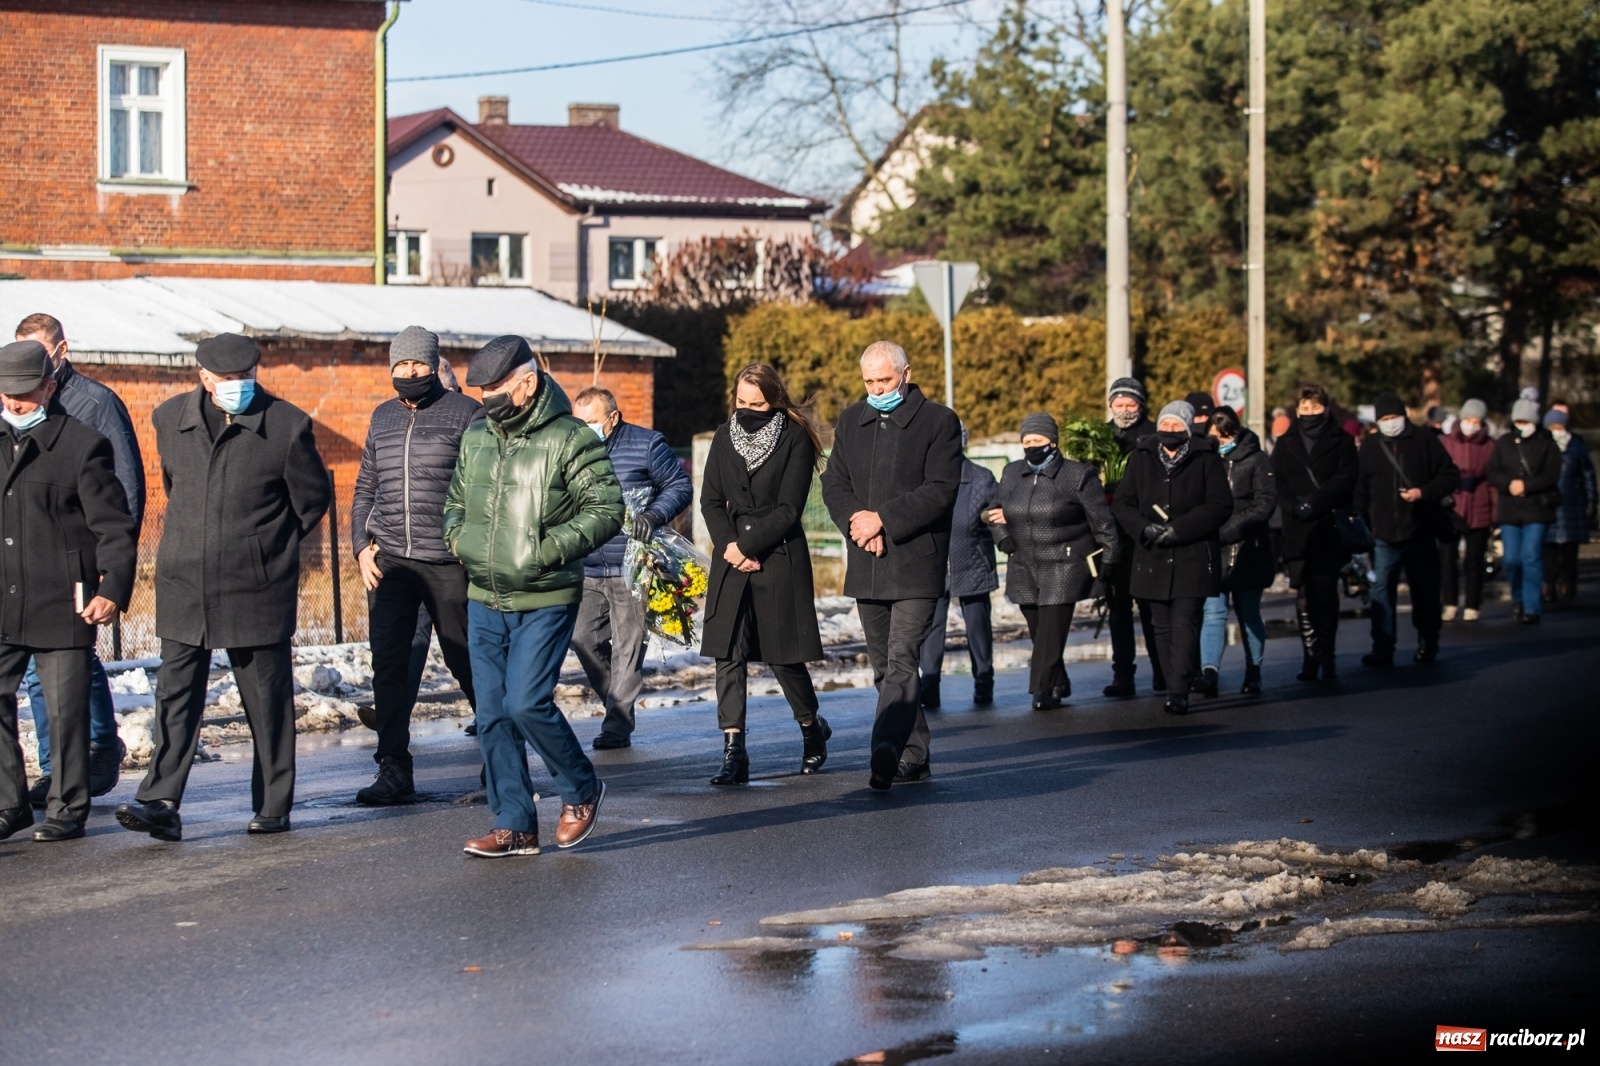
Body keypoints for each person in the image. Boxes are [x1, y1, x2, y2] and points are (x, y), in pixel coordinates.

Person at [115, 334, 330, 842]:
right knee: (175, 697)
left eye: (246, 377)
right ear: (203, 377)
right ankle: (160, 801)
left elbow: (312, 500)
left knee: (267, 699)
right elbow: (175, 487)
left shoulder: (286, 424)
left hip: (256, 584)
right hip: (185, 580)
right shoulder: (170, 419)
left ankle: (273, 804)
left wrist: (265, 548)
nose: (238, 386)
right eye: (227, 379)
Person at [443, 336, 619, 857]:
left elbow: (606, 509)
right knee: (493, 713)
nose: (487, 396)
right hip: (484, 597)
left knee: (525, 702)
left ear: (528, 382)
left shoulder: (570, 438)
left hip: (545, 594)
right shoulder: (477, 438)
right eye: (482, 389)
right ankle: (514, 824)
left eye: (496, 386)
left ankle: (582, 789)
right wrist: (460, 539)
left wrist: (546, 551)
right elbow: (455, 500)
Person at [0, 341, 137, 842]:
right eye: (6, 393)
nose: (14, 403)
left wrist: (112, 589)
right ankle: (9, 803)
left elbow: (114, 529)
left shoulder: (81, 444)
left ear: (49, 387)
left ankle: (67, 806)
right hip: (3, 599)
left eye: (24, 393)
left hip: (62, 600)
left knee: (64, 713)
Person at [350, 326, 483, 805]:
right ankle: (393, 769)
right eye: (400, 366)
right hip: (391, 565)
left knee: (467, 660)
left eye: (417, 365)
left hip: (448, 561)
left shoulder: (467, 413)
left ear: (434, 365)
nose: (408, 373)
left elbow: (484, 487)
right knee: (389, 664)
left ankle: (499, 757)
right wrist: (360, 548)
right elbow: (366, 486)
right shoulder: (382, 417)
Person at [821, 341, 962, 790]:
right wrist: (858, 525)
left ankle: (884, 749)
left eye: (884, 379)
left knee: (903, 658)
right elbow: (834, 484)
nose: (877, 388)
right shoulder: (851, 420)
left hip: (917, 564)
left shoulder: (939, 421)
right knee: (884, 666)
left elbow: (941, 489)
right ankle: (914, 755)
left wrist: (885, 518)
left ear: (905, 373)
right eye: (869, 381)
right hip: (868, 562)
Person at [699, 365, 827, 784]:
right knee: (728, 654)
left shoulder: (794, 438)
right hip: (732, 555)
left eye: (757, 404)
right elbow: (711, 501)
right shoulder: (723, 436)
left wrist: (748, 547)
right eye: (741, 402)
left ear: (775, 400)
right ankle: (734, 751)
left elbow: (790, 508)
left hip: (779, 553)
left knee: (782, 655)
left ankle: (811, 729)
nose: (748, 410)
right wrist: (731, 548)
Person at [570, 385, 692, 750]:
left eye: (592, 422)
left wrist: (654, 515)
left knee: (627, 645)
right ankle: (617, 701)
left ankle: (618, 723)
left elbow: (679, 485)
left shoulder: (647, 444)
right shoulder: (573, 451)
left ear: (613, 417)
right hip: (587, 564)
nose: (584, 430)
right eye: (580, 423)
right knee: (581, 637)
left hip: (633, 566)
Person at [984, 412, 1120, 710]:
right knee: (1037, 631)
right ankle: (1059, 681)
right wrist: (1003, 538)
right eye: (1027, 441)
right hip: (1024, 564)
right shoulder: (1011, 473)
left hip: (1065, 563)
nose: (1031, 446)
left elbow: (1103, 521)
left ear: (1053, 442)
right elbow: (992, 513)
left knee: (1049, 632)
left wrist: (1111, 558)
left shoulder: (1077, 475)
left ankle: (1041, 691)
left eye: (1038, 440)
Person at [1113, 401, 1232, 715]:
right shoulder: (1141, 456)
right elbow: (1124, 504)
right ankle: (1172, 683)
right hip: (1151, 554)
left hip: (1192, 554)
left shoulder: (1205, 457)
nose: (1169, 432)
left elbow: (1220, 505)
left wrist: (1179, 529)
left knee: (1184, 623)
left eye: (1177, 427)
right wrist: (1144, 528)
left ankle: (1178, 691)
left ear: (1189, 428)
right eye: (1165, 425)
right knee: (1160, 626)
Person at [1353, 393, 1459, 667]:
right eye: (1384, 419)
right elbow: (1361, 490)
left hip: (1421, 529)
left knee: (1424, 590)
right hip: (1384, 534)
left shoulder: (1424, 441)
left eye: (1393, 417)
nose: (1390, 423)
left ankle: (1428, 640)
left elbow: (1449, 475)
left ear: (1404, 415)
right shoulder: (1370, 447)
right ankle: (1383, 647)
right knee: (1380, 592)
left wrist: (1423, 492)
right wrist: (1360, 522)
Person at [1272, 384, 1358, 682]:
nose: (1309, 414)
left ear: (1326, 408)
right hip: (1297, 527)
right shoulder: (1285, 443)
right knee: (1303, 594)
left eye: (1315, 408)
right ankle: (1310, 655)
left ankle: (1327, 653)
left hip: (1327, 525)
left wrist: (1315, 501)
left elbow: (1347, 478)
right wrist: (1294, 505)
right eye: (1304, 409)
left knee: (1324, 592)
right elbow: (1276, 480)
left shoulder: (1342, 440)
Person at [917, 423, 998, 709]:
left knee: (978, 625)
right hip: (934, 563)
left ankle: (984, 680)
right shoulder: (924, 478)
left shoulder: (982, 478)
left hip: (973, 561)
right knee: (931, 627)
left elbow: (996, 515)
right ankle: (929, 684)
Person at [1197, 406, 1276, 698]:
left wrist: (1229, 529)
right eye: (1215, 436)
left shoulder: (1256, 459)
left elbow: (1264, 504)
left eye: (1226, 436)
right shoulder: (1205, 460)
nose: (1221, 441)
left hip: (1247, 549)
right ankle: (1209, 673)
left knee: (1248, 614)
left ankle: (1253, 670)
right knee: (1213, 612)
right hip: (1212, 550)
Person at [1102, 377, 1164, 698]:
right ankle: (1123, 674)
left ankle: (1162, 670)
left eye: (1131, 404)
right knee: (1119, 610)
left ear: (1141, 405)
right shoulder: (1099, 438)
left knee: (1152, 608)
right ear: (1110, 404)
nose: (1124, 410)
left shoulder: (1154, 435)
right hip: (1113, 537)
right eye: (1119, 404)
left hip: (1145, 533)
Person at [1487, 397, 1563, 625]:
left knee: (1531, 556)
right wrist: (1508, 484)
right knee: (1511, 560)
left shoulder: (1547, 443)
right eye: (1519, 420)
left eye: (1526, 420)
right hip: (1510, 509)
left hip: (1536, 509)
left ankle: (1532, 607)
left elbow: (1552, 474)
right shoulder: (1504, 443)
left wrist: (1527, 486)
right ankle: (1517, 598)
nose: (1522, 424)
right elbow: (1492, 470)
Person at [1438, 399, 1496, 622]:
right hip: (1451, 506)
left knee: (1475, 559)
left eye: (1476, 421)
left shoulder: (1490, 446)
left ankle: (1473, 604)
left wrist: (1495, 513)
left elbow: (1492, 481)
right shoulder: (1445, 442)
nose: (1471, 425)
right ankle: (1450, 602)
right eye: (1468, 420)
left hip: (1479, 504)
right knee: (1447, 557)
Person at [1542, 408, 1595, 606]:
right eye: (1552, 426)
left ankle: (1568, 582)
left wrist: (1591, 500)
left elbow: (1587, 476)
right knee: (1548, 550)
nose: (1557, 430)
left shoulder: (1577, 447)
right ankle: (1549, 582)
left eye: (1559, 426)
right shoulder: (1542, 446)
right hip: (1547, 504)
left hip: (1572, 505)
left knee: (1569, 552)